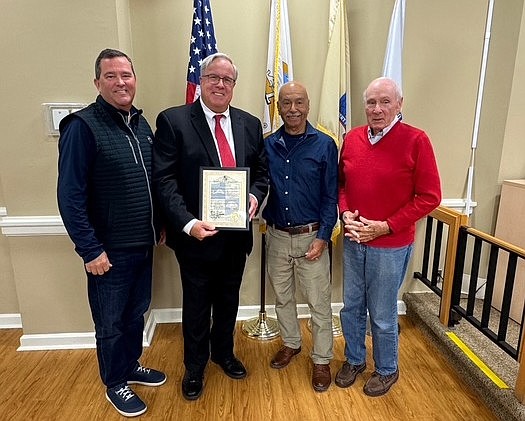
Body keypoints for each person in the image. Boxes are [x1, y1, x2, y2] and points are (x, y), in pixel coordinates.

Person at [152, 52, 268, 401]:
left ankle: (223, 353)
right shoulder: (174, 121)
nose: (220, 84)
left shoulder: (249, 124)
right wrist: (187, 223)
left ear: (234, 85)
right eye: (213, 78)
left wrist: (253, 197)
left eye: (227, 80)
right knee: (198, 305)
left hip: (236, 236)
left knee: (229, 300)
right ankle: (195, 365)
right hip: (196, 237)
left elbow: (261, 174)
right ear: (200, 82)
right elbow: (164, 181)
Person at [57, 48, 166, 418]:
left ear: (134, 80)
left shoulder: (140, 124)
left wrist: (161, 225)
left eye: (126, 75)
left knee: (135, 313)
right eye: (111, 76)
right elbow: (70, 196)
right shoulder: (82, 127)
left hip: (143, 244)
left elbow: (153, 181)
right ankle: (114, 381)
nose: (121, 82)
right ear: (97, 82)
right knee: (110, 321)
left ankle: (131, 365)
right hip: (108, 252)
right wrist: (90, 250)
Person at [336, 77, 441, 396]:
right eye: (371, 102)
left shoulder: (416, 140)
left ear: (399, 104)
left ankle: (386, 369)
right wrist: (346, 213)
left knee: (381, 312)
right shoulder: (352, 138)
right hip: (354, 240)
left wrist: (385, 226)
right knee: (351, 305)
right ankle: (354, 359)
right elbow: (341, 185)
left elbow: (430, 196)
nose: (377, 109)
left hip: (390, 245)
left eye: (385, 102)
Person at [262, 82, 338, 392]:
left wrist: (322, 237)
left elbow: (331, 196)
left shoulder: (324, 144)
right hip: (277, 236)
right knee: (283, 298)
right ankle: (291, 343)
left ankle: (321, 358)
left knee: (319, 303)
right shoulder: (267, 144)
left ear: (307, 105)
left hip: (312, 238)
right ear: (278, 106)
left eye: (299, 103)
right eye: (287, 103)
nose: (293, 109)